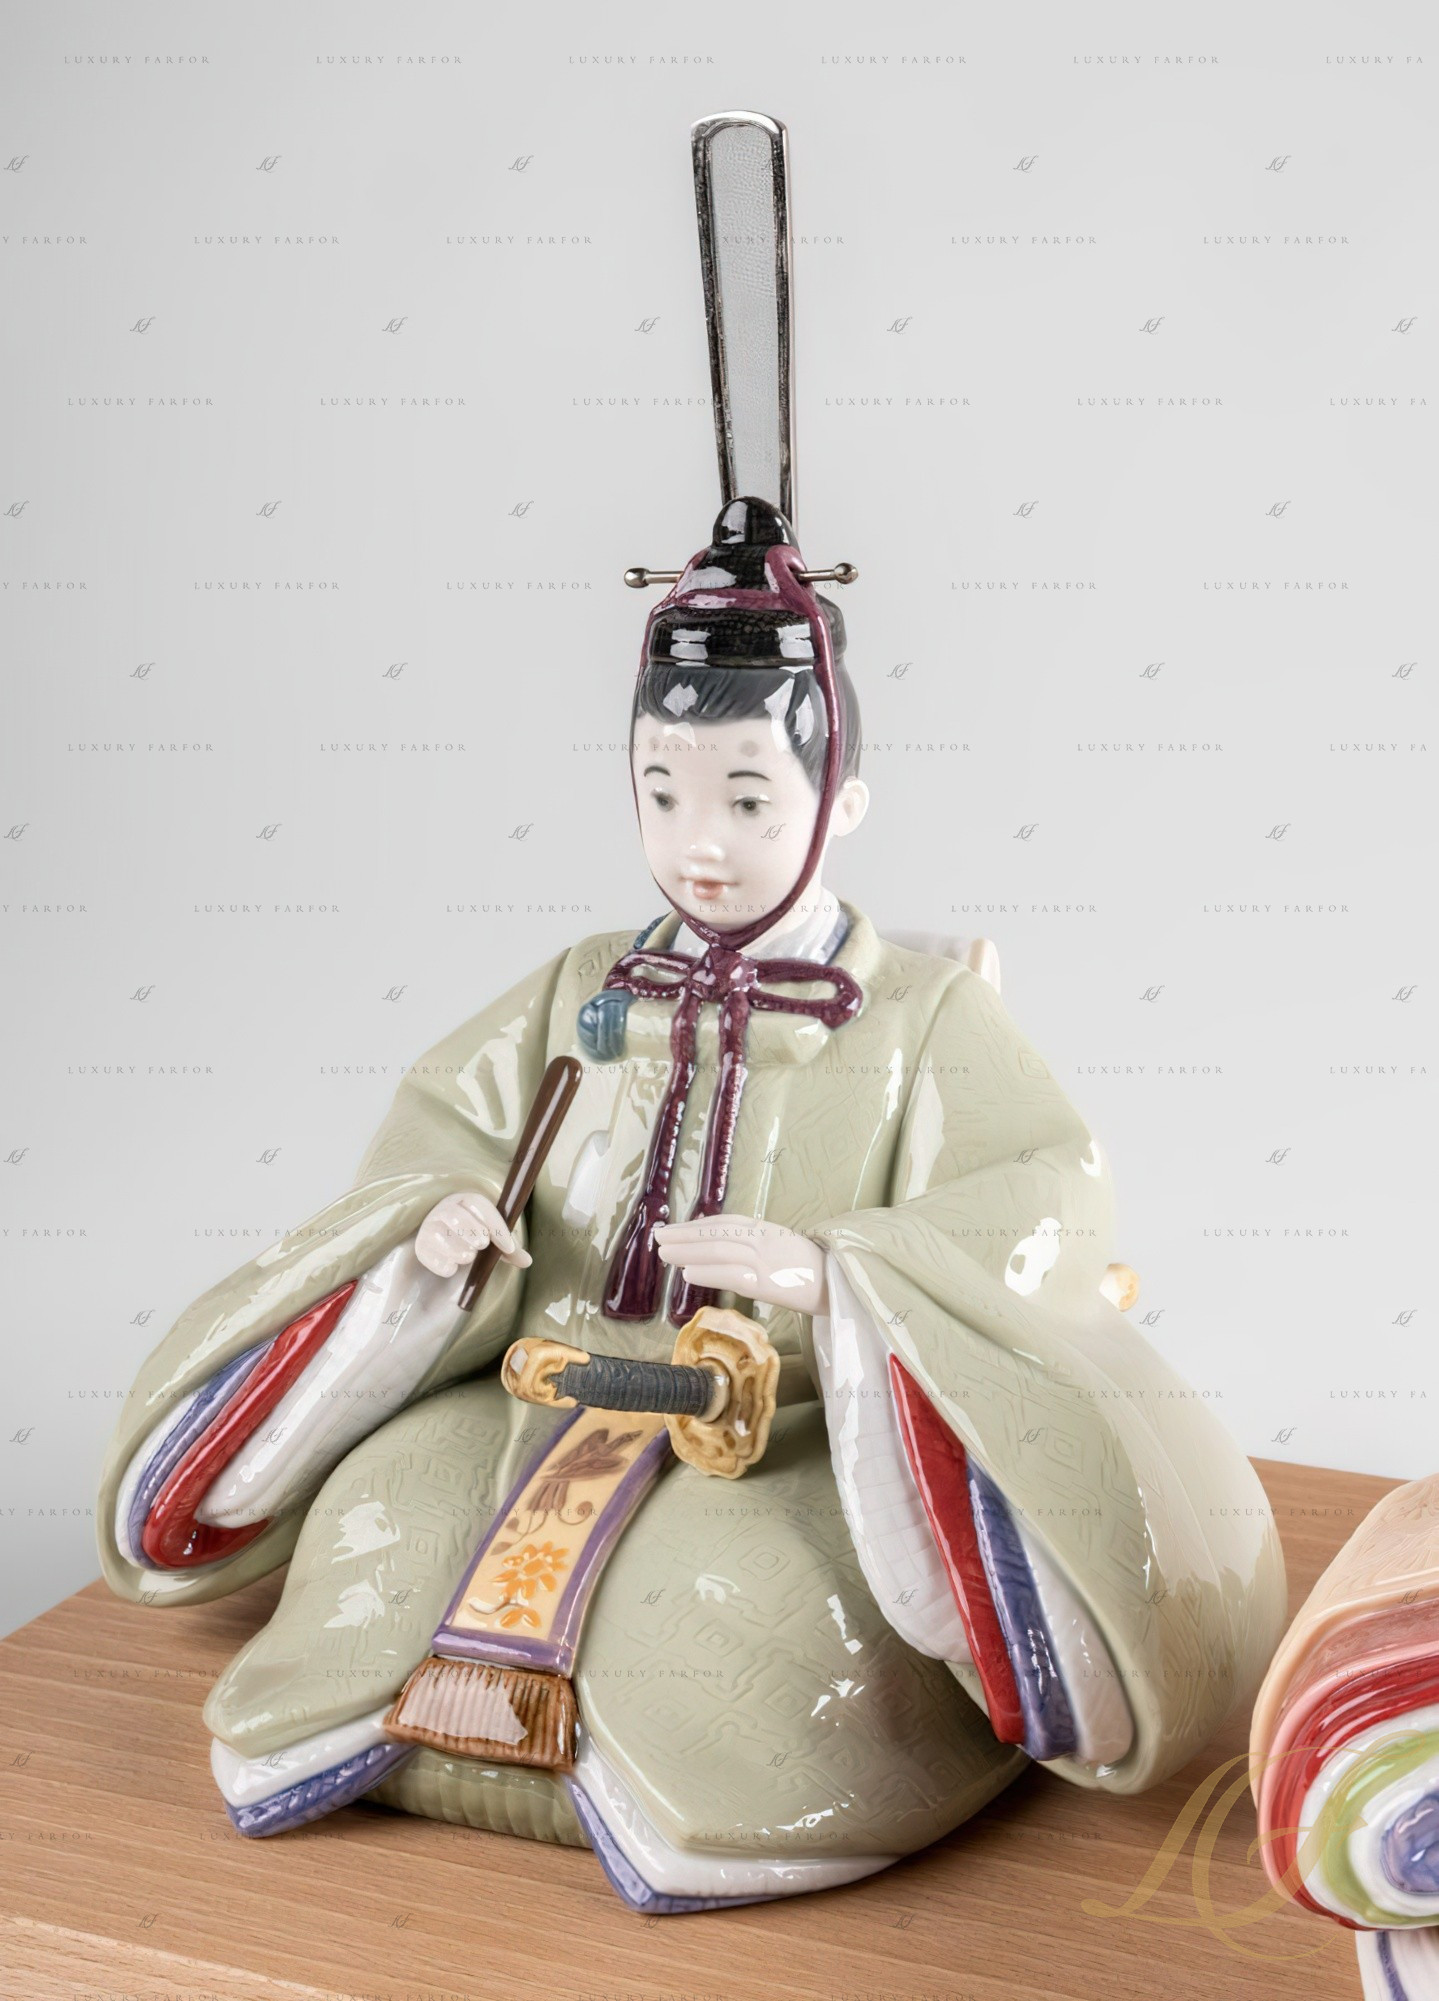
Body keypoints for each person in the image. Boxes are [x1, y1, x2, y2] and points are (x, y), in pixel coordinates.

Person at [98, 498, 1287, 1912]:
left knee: (736, 1615)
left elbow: (1045, 1197)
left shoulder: (922, 1016)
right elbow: (442, 1143)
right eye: (661, 796)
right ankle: (371, 1728)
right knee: (385, 1520)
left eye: (747, 801)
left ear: (840, 804)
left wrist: (838, 1275)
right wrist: (438, 1236)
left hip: (786, 1431)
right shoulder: (582, 986)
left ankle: (675, 1793)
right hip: (536, 1391)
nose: (698, 844)